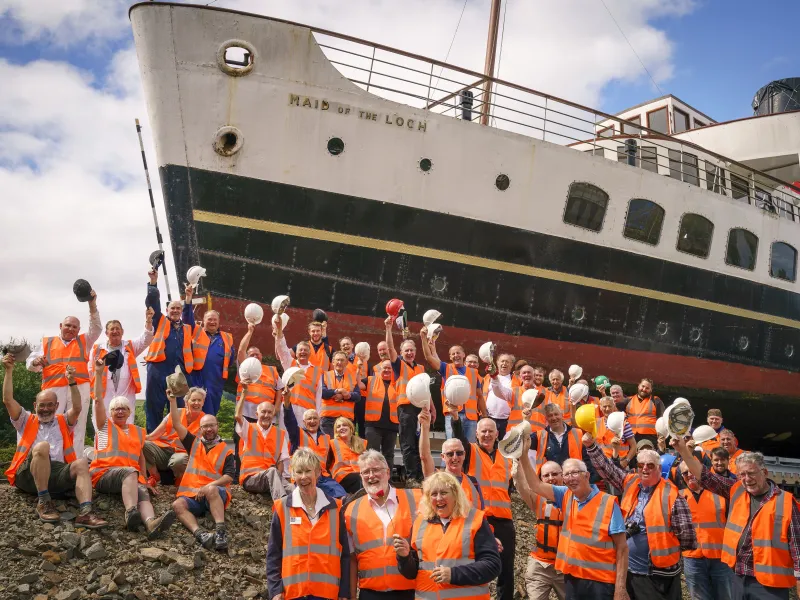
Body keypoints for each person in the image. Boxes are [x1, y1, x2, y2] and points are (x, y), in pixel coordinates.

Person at [674, 438, 800, 599]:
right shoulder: (737, 490)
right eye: (742, 475)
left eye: (751, 473)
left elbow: (798, 549)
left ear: (765, 472)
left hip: (771, 586)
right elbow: (705, 477)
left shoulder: (787, 502)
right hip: (737, 577)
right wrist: (683, 451)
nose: (746, 479)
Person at [583, 431, 697, 600]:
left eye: (650, 465)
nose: (644, 468)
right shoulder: (630, 481)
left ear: (659, 468)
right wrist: (591, 447)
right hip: (628, 570)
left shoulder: (672, 495)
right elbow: (607, 469)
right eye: (641, 464)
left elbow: (687, 537)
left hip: (658, 575)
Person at [518, 436, 629, 600]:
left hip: (601, 582)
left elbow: (622, 548)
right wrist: (523, 456)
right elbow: (536, 485)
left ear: (587, 476)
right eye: (567, 474)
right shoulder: (565, 495)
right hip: (572, 580)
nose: (570, 477)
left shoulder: (608, 503)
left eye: (575, 473)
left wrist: (620, 588)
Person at [4, 355, 106, 528]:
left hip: (57, 474)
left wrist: (72, 382)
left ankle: (86, 513)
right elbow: (8, 400)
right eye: (42, 405)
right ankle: (43, 502)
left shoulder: (63, 422)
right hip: (27, 474)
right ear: (35, 406)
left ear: (57, 405)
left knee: (81, 462)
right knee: (42, 447)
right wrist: (8, 370)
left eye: (50, 405)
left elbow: (78, 408)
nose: (45, 409)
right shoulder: (25, 420)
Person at [89, 359, 174, 537]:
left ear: (129, 412)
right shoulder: (105, 428)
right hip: (104, 474)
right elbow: (97, 401)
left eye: (123, 409)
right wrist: (98, 373)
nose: (120, 412)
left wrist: (144, 479)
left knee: (142, 492)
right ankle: (130, 512)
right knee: (129, 472)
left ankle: (151, 523)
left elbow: (141, 457)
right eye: (116, 409)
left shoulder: (138, 432)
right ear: (110, 413)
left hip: (131, 476)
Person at [394, 471, 502, 599]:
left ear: (455, 495)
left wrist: (453, 574)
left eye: (444, 493)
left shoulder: (475, 520)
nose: (439, 498)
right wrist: (405, 557)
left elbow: (492, 565)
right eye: (433, 494)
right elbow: (411, 573)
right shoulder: (419, 523)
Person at [266, 448, 350, 600]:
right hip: (293, 593)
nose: (303, 477)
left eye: (307, 471)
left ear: (317, 472)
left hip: (327, 593)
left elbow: (344, 555)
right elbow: (274, 554)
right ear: (292, 475)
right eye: (298, 472)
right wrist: (275, 590)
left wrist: (344, 592)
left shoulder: (335, 508)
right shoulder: (282, 508)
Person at [27, 289, 101, 457]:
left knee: (79, 425)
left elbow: (96, 327)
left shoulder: (84, 341)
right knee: (52, 424)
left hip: (78, 388)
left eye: (74, 327)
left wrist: (92, 304)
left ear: (79, 329)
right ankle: (53, 461)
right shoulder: (47, 342)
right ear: (61, 326)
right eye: (67, 325)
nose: (70, 329)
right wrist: (35, 362)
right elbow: (30, 364)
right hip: (53, 390)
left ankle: (74, 464)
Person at [451, 409, 515, 600]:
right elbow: (459, 438)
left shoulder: (507, 458)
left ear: (497, 434)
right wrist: (455, 417)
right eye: (483, 431)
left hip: (504, 520)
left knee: (506, 569)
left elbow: (508, 487)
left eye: (490, 431)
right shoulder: (470, 451)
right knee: (477, 565)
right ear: (477, 434)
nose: (487, 435)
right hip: (479, 520)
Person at [344, 450, 421, 600]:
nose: (371, 475)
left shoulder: (416, 499)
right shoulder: (351, 510)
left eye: (376, 470)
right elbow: (352, 558)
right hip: (370, 593)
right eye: (366, 472)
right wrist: (353, 595)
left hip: (410, 592)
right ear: (361, 477)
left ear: (387, 472)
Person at [169, 391, 234, 551]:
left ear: (217, 426)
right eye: (205, 426)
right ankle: (200, 534)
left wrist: (208, 487)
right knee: (177, 504)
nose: (209, 429)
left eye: (212, 425)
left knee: (212, 490)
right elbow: (177, 424)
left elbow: (229, 477)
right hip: (193, 496)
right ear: (200, 429)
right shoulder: (194, 444)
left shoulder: (226, 450)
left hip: (215, 494)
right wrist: (172, 401)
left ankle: (220, 532)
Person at [144, 270, 195, 432]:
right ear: (167, 311)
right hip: (158, 369)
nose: (175, 311)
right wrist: (153, 283)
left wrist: (188, 299)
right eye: (172, 308)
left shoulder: (187, 328)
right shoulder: (160, 321)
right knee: (154, 406)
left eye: (178, 309)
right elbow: (152, 303)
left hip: (178, 372)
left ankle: (177, 441)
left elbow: (189, 315)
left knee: (179, 409)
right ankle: (153, 442)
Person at [88, 309, 154, 433]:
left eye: (117, 328)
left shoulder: (130, 346)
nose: (115, 331)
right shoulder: (97, 350)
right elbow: (90, 371)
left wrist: (148, 321)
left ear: (122, 332)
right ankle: (103, 450)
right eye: (112, 329)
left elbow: (146, 339)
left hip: (126, 392)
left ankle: (125, 450)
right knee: (102, 424)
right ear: (106, 333)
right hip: (104, 393)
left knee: (126, 423)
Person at [677, 461, 733, 600]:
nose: (689, 475)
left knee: (725, 596)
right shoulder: (677, 497)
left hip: (720, 558)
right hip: (692, 558)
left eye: (692, 471)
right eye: (685, 473)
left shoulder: (720, 494)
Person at [512, 458, 566, 600]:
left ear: (563, 476)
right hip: (540, 565)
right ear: (540, 479)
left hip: (567, 566)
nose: (551, 478)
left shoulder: (575, 499)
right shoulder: (537, 499)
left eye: (555, 474)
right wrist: (517, 460)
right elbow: (521, 485)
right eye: (546, 476)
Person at [420, 327, 486, 442]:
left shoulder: (473, 373)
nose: (456, 355)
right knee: (452, 448)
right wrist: (423, 339)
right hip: (452, 414)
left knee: (470, 449)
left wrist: (485, 416)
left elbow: (479, 396)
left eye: (458, 353)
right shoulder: (446, 368)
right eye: (453, 354)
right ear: (450, 357)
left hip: (471, 418)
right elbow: (429, 358)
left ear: (463, 355)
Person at [385, 317, 429, 484]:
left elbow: (427, 391)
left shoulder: (421, 369)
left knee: (421, 444)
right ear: (401, 353)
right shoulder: (398, 366)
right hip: (406, 410)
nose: (409, 353)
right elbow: (390, 348)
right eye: (406, 351)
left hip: (421, 409)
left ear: (415, 352)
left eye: (411, 350)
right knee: (408, 444)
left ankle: (421, 475)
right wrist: (388, 329)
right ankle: (412, 477)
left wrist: (431, 407)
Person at [234, 321, 282, 475]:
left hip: (266, 414)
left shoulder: (272, 370)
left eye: (257, 354)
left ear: (262, 356)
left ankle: (264, 471)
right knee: (241, 443)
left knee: (264, 444)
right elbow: (241, 350)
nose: (255, 356)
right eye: (251, 354)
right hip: (246, 414)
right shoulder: (245, 367)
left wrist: (276, 408)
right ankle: (239, 473)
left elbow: (280, 389)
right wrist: (249, 332)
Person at [281, 390, 347, 499]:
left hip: (322, 476)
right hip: (303, 476)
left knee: (340, 493)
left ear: (319, 420)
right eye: (309, 419)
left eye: (315, 418)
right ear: (303, 422)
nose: (312, 421)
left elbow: (330, 461)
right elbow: (289, 420)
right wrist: (287, 400)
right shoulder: (297, 434)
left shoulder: (326, 438)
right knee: (318, 496)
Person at [418, 407, 485, 510]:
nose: (455, 457)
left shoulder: (473, 482)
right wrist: (425, 427)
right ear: (443, 457)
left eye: (459, 453)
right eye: (450, 454)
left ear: (464, 455)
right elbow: (425, 457)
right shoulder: (436, 479)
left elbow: (481, 514)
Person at [235, 383, 291, 500]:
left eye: (269, 412)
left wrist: (279, 481)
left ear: (273, 415)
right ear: (257, 414)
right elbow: (238, 416)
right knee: (272, 472)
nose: (266, 415)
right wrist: (244, 393)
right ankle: (281, 508)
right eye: (263, 412)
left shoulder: (280, 434)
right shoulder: (248, 428)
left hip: (273, 477)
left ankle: (298, 518)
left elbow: (281, 462)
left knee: (295, 490)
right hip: (251, 479)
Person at [143, 386, 205, 487]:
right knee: (144, 444)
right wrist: (134, 438)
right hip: (163, 450)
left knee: (179, 461)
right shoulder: (175, 413)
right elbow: (152, 436)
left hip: (182, 454)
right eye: (193, 400)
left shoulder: (205, 420)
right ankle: (154, 476)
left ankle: (180, 481)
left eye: (199, 400)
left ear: (203, 402)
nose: (196, 403)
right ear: (186, 401)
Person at [528, 404, 597, 482]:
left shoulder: (578, 433)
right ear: (546, 418)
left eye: (556, 414)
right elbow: (523, 441)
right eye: (550, 415)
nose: (554, 418)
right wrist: (526, 420)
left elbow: (587, 459)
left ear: (562, 415)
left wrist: (590, 480)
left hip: (574, 481)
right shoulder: (539, 436)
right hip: (551, 484)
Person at [274, 315, 324, 425]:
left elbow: (319, 396)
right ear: (295, 353)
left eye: (305, 350)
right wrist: (279, 330)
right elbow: (282, 349)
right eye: (300, 350)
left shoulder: (317, 372)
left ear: (309, 354)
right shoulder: (290, 364)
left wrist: (318, 416)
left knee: (304, 441)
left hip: (307, 412)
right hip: (288, 407)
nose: (303, 352)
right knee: (286, 439)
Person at [189, 310, 235, 415]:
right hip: (197, 377)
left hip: (216, 380)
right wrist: (188, 301)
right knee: (195, 409)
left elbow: (230, 359)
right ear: (203, 320)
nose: (212, 322)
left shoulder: (227, 338)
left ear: (219, 322)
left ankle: (208, 430)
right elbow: (188, 320)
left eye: (215, 320)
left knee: (212, 411)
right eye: (209, 319)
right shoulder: (196, 333)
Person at [362, 359, 400, 472]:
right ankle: (372, 477)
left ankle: (387, 479)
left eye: (389, 368)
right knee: (372, 454)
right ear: (380, 370)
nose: (387, 370)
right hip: (373, 425)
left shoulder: (398, 382)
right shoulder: (371, 380)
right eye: (385, 368)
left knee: (389, 455)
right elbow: (358, 384)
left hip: (392, 425)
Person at [321, 351, 361, 436]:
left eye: (342, 360)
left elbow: (358, 396)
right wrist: (338, 391)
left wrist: (344, 396)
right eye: (337, 360)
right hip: (328, 419)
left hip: (346, 419)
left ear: (346, 363)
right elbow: (323, 393)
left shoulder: (352, 377)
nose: (339, 362)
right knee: (329, 446)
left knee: (346, 447)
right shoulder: (325, 375)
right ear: (333, 362)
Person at [621, 378, 665, 448]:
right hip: (630, 436)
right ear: (639, 386)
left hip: (650, 437)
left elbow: (662, 420)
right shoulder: (628, 400)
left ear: (651, 390)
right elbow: (613, 411)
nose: (644, 389)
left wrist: (662, 437)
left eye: (647, 388)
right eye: (643, 386)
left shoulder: (656, 401)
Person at [596, 396, 637, 469]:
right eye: (604, 406)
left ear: (614, 406)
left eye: (610, 406)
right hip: (602, 465)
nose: (607, 409)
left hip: (620, 465)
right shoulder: (596, 423)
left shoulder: (624, 423)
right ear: (600, 407)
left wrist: (626, 461)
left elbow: (634, 446)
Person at [328, 416, 366, 494]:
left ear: (350, 428)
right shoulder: (332, 443)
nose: (342, 428)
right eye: (338, 427)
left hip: (360, 474)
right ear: (336, 431)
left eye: (344, 425)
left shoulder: (362, 443)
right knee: (359, 479)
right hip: (341, 477)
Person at [483, 353, 515, 439]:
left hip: (507, 421)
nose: (504, 364)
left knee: (504, 446)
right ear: (497, 363)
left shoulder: (515, 380)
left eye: (507, 362)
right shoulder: (488, 377)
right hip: (489, 417)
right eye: (502, 361)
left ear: (511, 365)